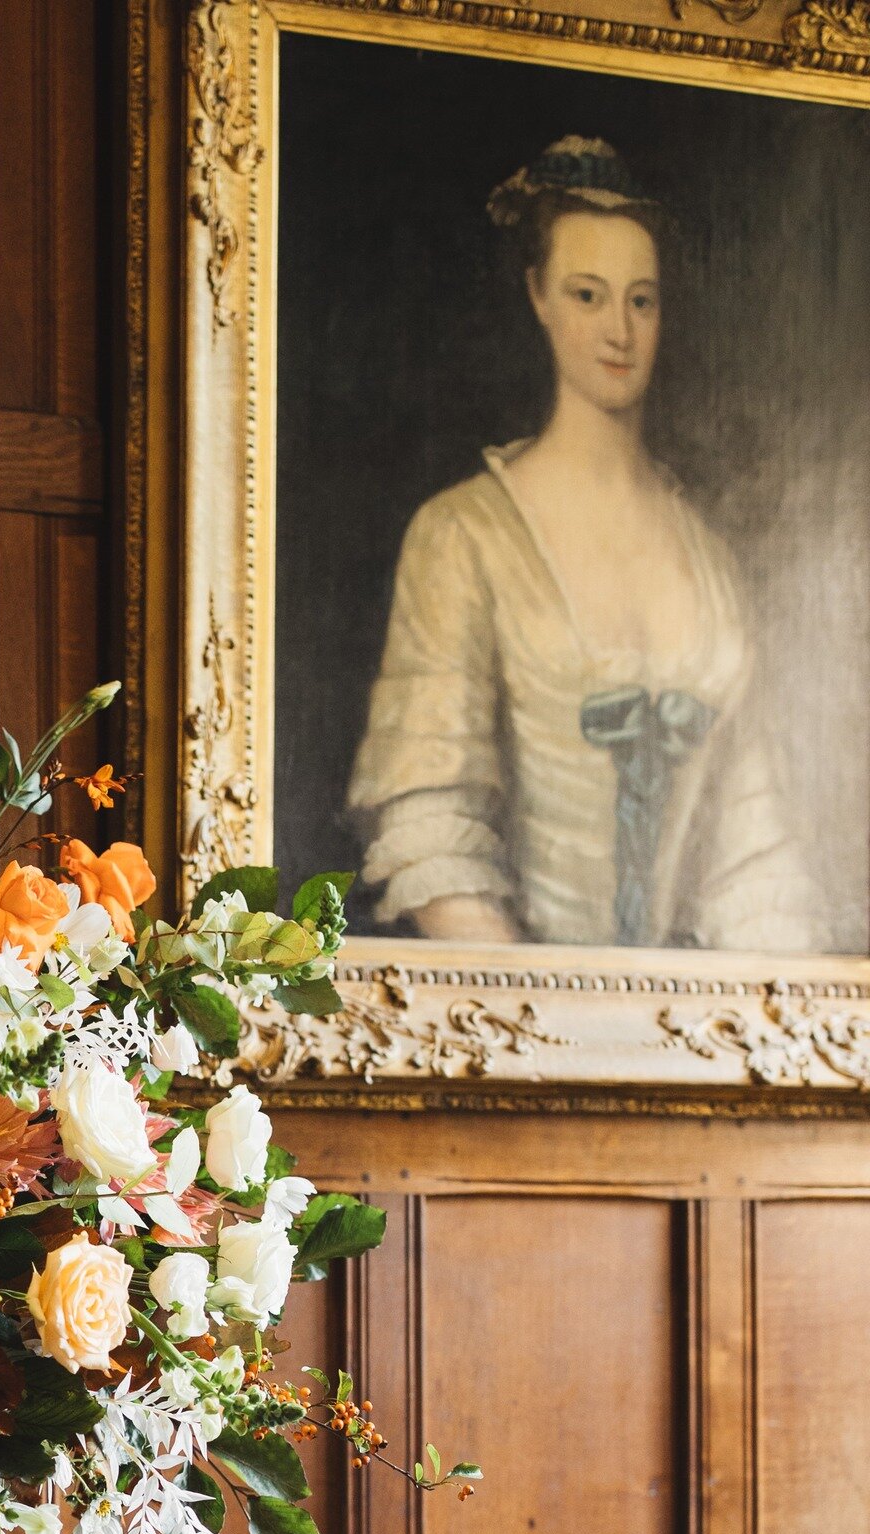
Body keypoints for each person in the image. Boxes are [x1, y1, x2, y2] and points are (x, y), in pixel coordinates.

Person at [347, 136, 820, 950]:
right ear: (538, 296)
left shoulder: (710, 559)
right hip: (507, 1017)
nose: (620, 332)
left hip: (691, 1031)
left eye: (642, 300)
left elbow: (755, 852)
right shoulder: (463, 532)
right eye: (588, 294)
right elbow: (428, 816)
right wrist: (552, 1025)